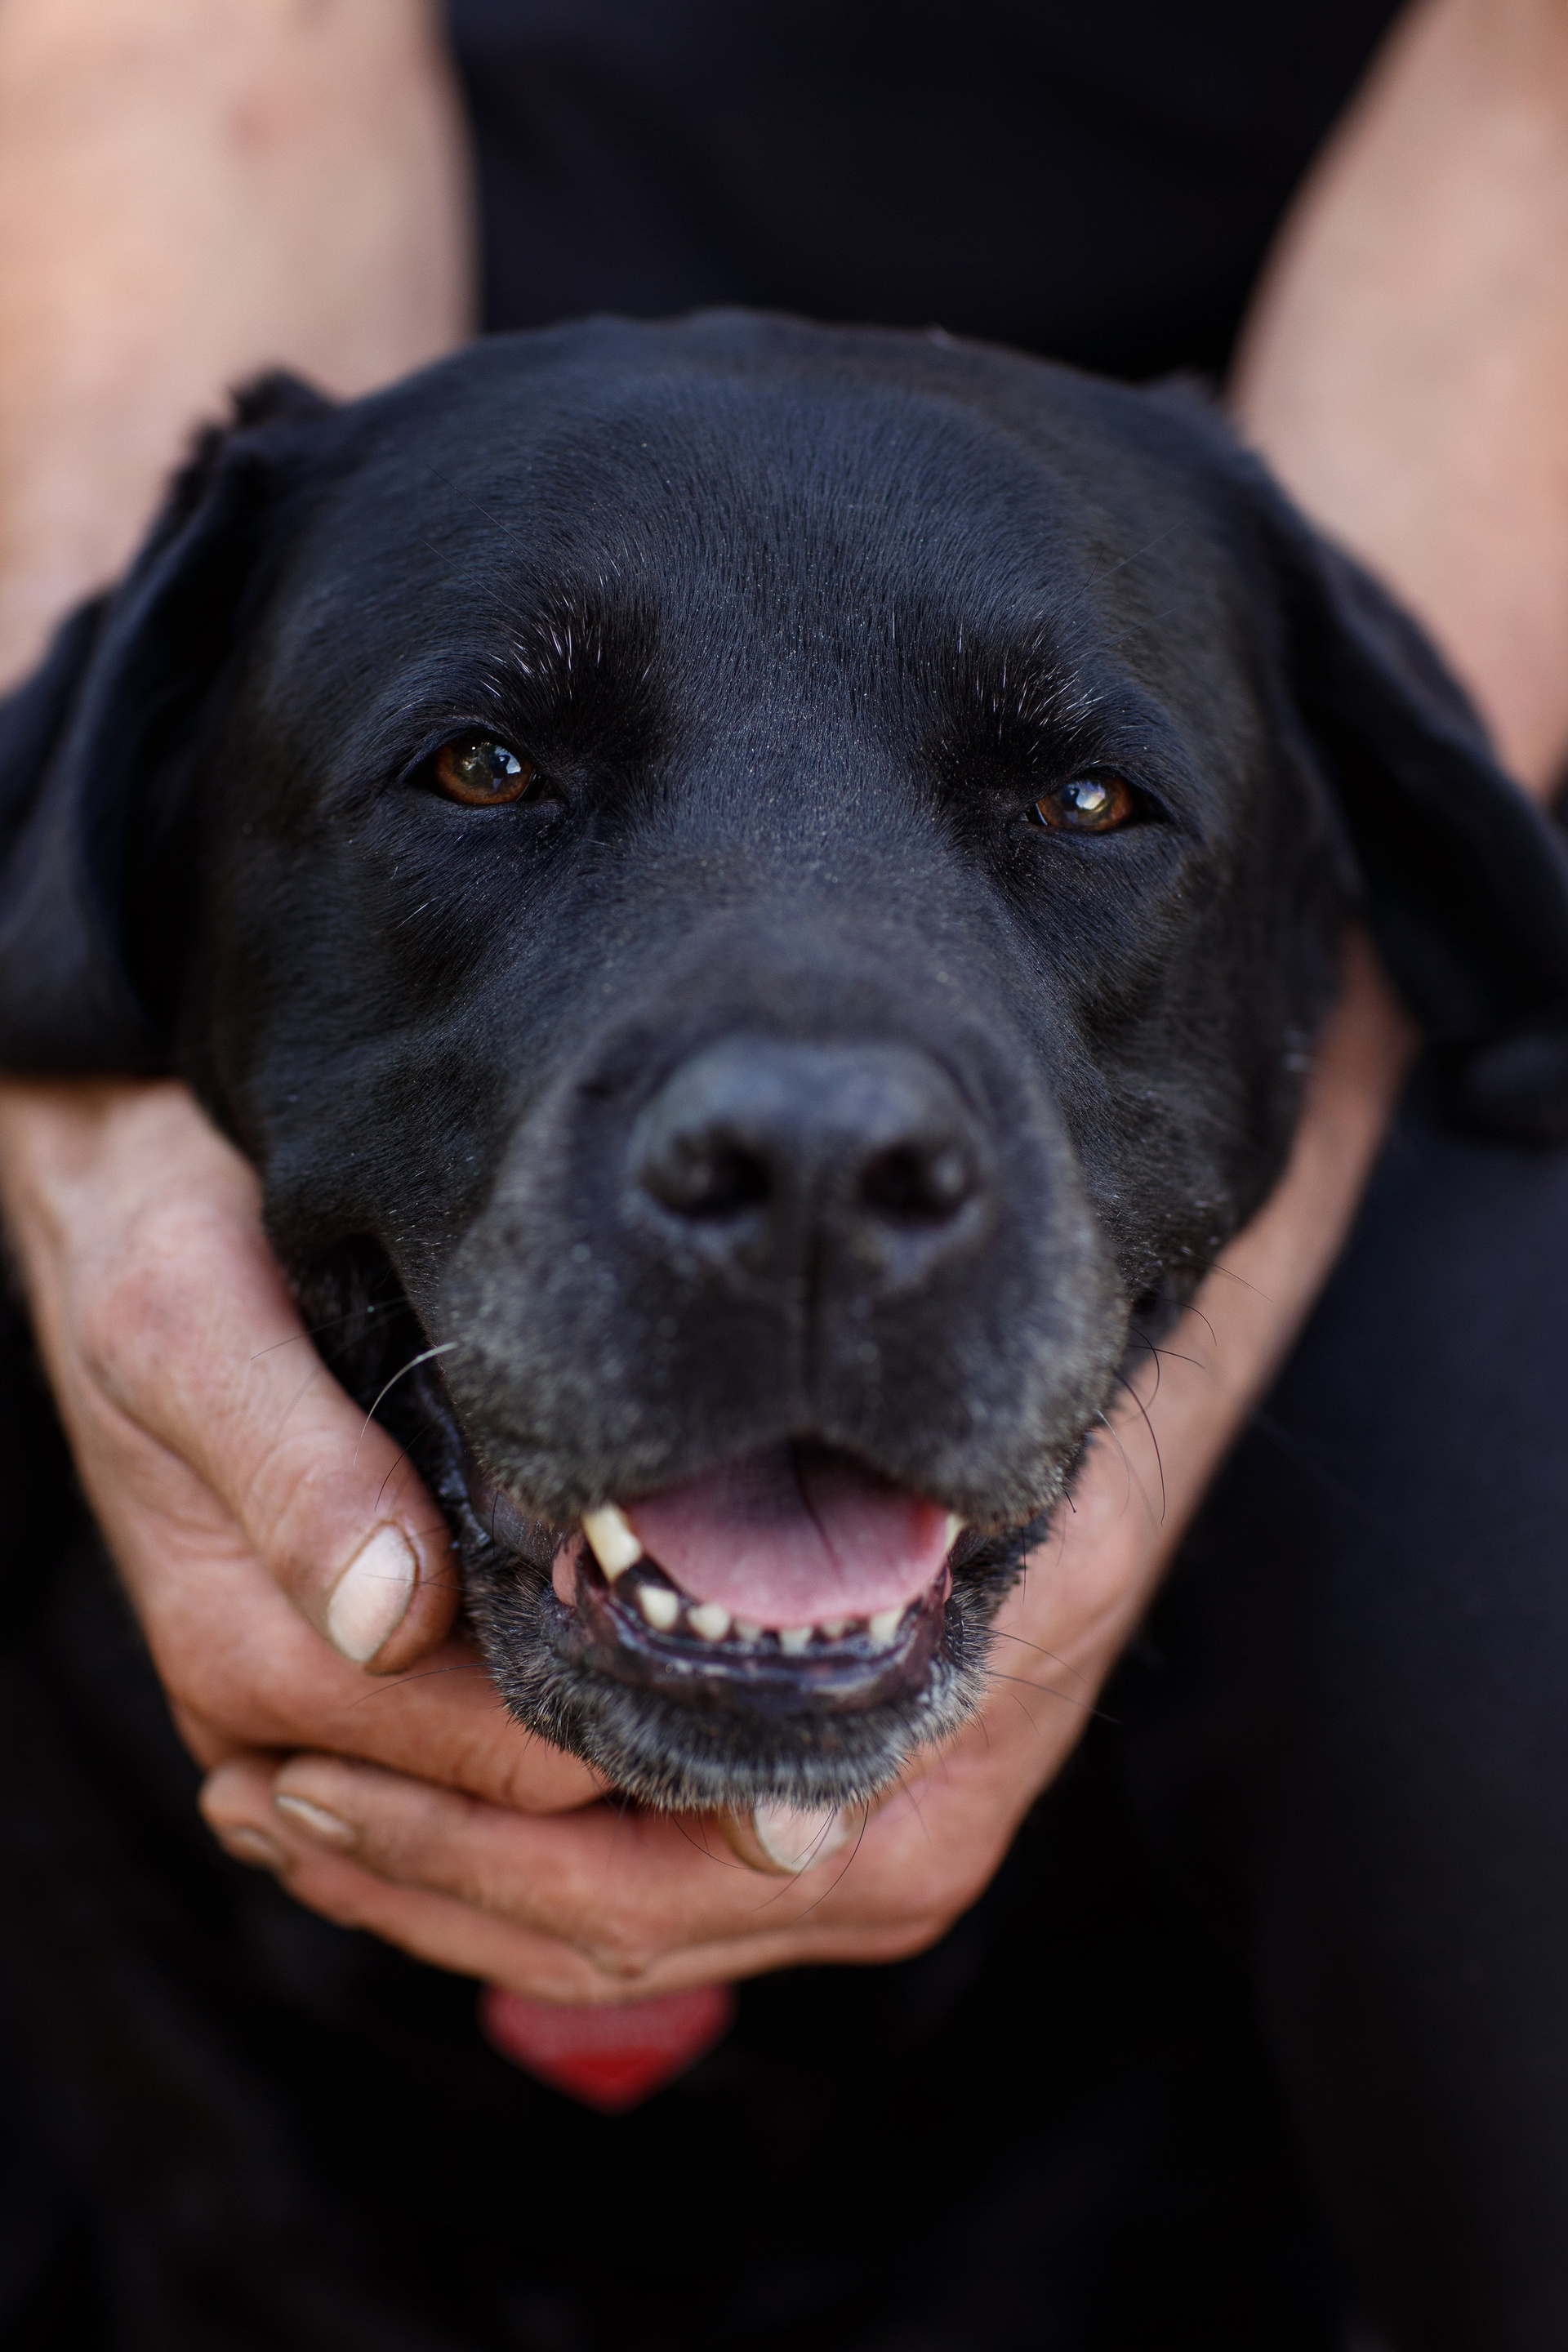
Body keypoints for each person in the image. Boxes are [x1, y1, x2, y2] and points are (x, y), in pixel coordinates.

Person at [0, 2, 1566, 2343]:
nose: (814, 1131)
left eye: (1087, 801)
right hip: (366, 309)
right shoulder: (279, 586)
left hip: (1409, 419)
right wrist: (80, 1153)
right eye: (486, 771)